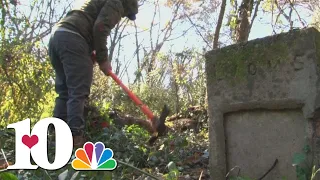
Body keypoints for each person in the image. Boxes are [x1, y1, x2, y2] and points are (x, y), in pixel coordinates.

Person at [48, 0, 138, 148]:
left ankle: (55, 138)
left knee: (65, 92)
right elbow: (100, 27)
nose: (122, 16)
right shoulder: (117, 3)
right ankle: (74, 138)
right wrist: (103, 59)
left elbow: (88, 23)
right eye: (126, 14)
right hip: (74, 37)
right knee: (78, 91)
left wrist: (91, 52)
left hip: (58, 36)